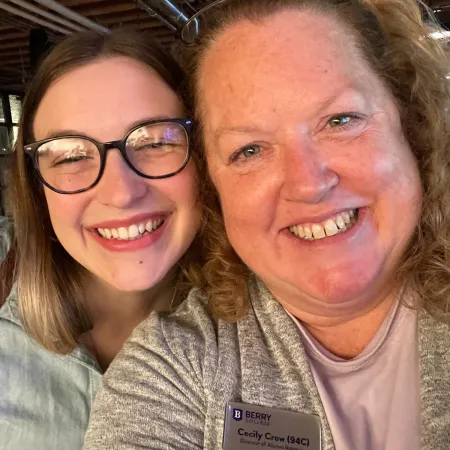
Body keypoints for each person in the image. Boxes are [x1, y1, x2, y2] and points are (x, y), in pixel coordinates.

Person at [83, 0, 450, 449]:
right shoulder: (173, 365)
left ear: (411, 127)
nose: (308, 183)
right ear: (213, 189)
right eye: (249, 150)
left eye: (340, 120)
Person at [0, 28, 202, 450]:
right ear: (36, 186)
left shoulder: (279, 317)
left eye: (155, 141)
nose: (122, 193)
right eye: (71, 154)